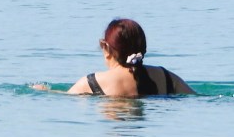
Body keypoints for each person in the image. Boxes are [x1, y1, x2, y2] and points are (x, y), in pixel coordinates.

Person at [67, 18, 195, 97]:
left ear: (105, 47)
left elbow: (69, 97)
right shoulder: (167, 77)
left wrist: (48, 92)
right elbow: (196, 98)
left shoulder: (90, 83)